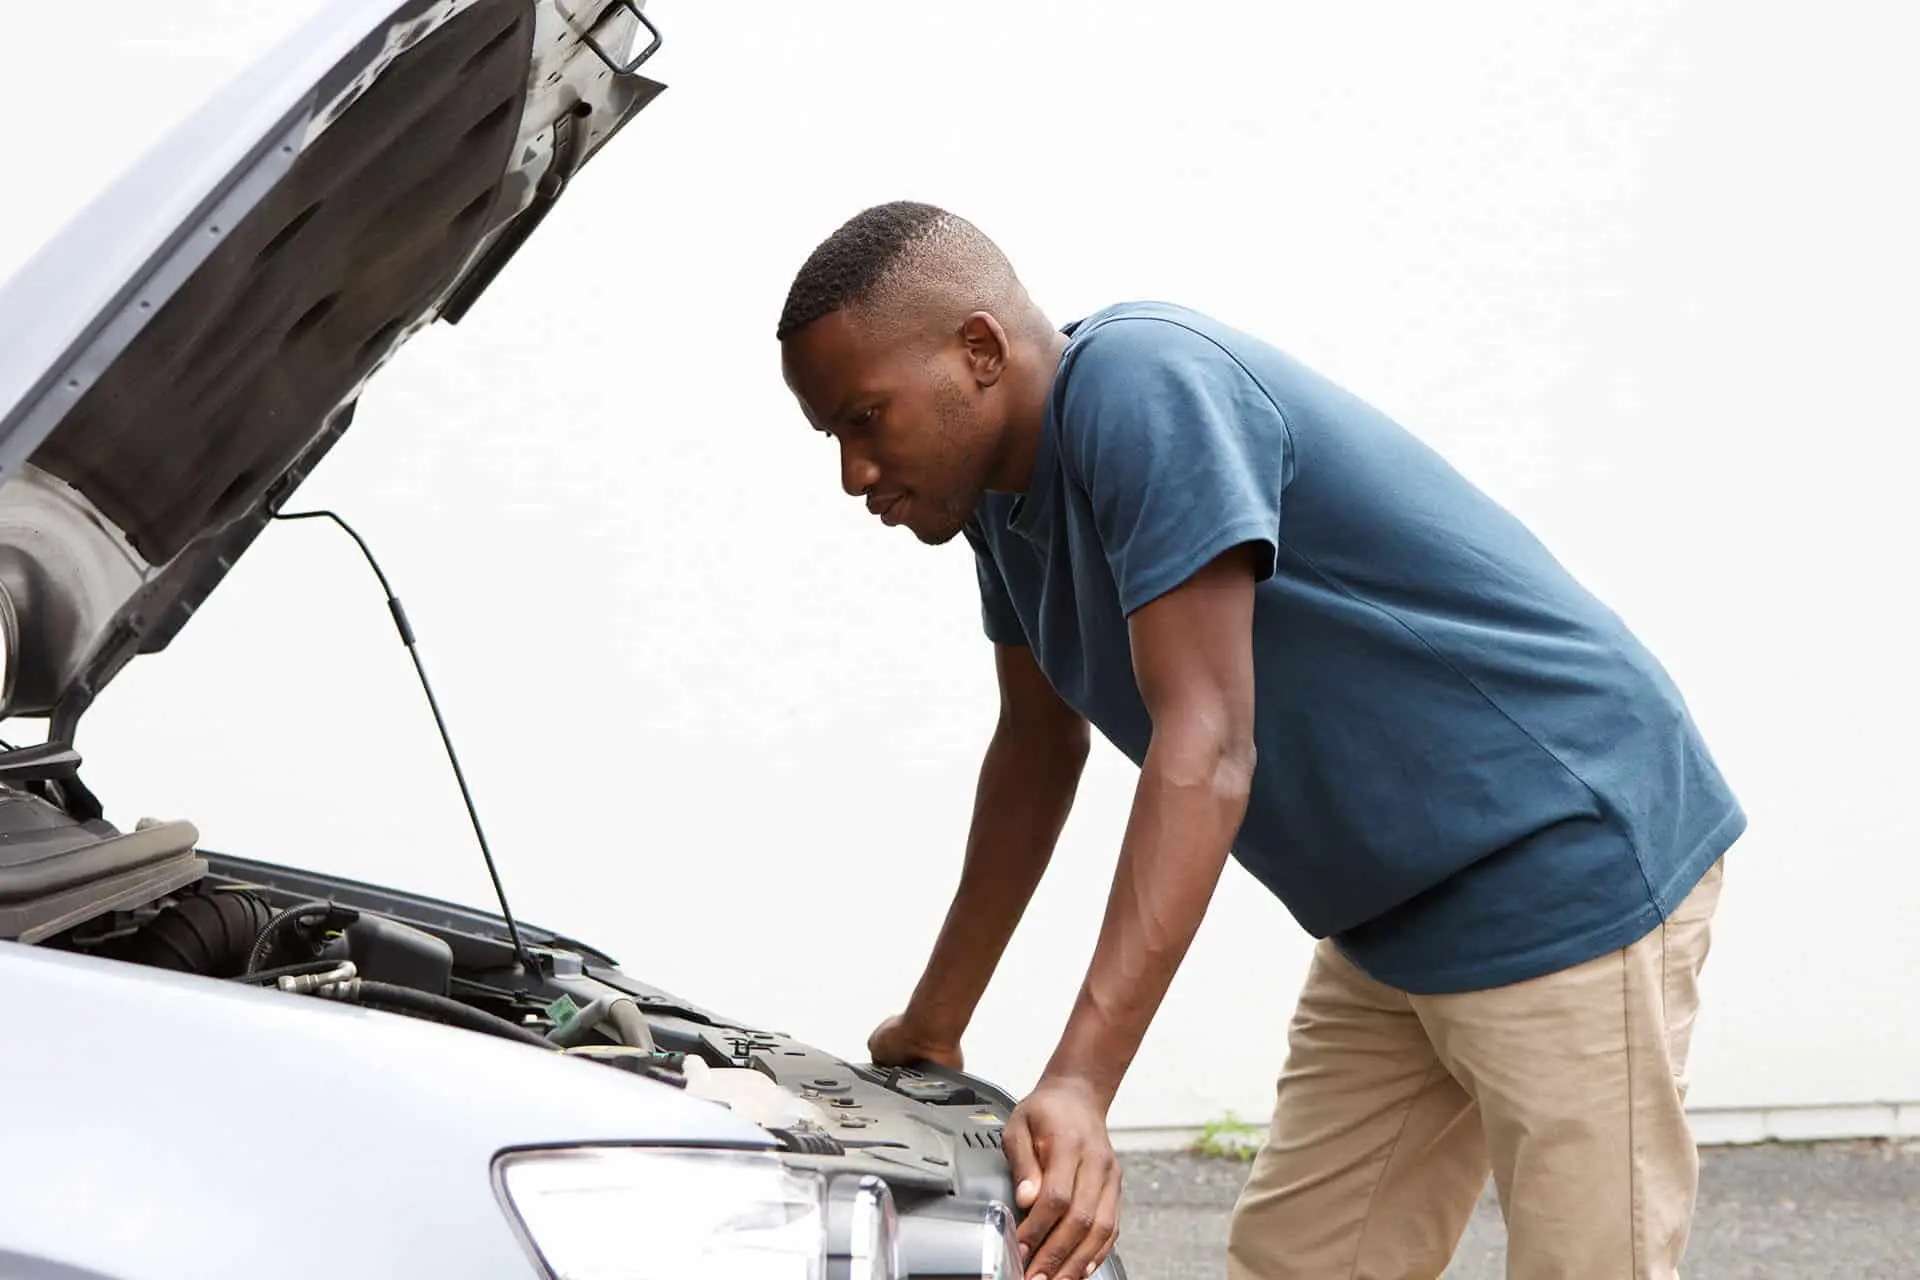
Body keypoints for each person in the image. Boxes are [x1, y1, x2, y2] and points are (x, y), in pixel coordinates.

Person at [773, 200, 1744, 1280]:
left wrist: (1085, 1080)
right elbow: (1037, 752)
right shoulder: (1002, 505)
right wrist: (936, 1020)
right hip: (1391, 916)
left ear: (980, 351)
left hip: (1561, 859)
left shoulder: (1145, 389)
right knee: (1298, 1263)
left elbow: (1209, 741)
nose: (855, 472)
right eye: (833, 436)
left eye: (867, 417)